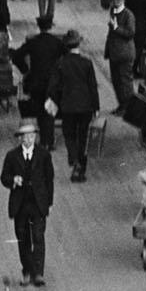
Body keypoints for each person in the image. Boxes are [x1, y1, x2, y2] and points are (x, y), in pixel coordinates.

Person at [1, 118, 55, 286]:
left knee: (38, 237)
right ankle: (26, 271)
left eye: (31, 136)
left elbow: (49, 180)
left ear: (35, 137)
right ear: (20, 138)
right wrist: (13, 180)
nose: (28, 140)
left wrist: (49, 203)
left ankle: (38, 273)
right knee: (23, 238)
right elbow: (4, 177)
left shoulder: (44, 155)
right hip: (21, 204)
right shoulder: (11, 156)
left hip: (38, 203)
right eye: (24, 137)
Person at [47, 29, 101, 182]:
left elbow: (53, 86)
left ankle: (74, 159)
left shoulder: (61, 63)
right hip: (86, 106)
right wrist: (96, 107)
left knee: (69, 134)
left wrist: (53, 100)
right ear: (79, 44)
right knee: (83, 136)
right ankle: (81, 170)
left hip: (68, 106)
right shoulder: (87, 63)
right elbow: (92, 86)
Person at [13, 19, 66, 149]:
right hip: (52, 82)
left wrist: (26, 71)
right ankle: (48, 141)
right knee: (50, 110)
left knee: (40, 110)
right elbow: (67, 58)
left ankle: (44, 140)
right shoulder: (57, 43)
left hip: (35, 82)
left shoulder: (33, 42)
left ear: (39, 27)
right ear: (50, 27)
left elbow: (16, 56)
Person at [104, 0, 137, 114]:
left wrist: (117, 28)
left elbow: (130, 33)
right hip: (114, 53)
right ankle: (121, 104)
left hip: (124, 54)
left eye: (113, 2)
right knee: (116, 80)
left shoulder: (128, 15)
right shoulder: (113, 12)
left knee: (125, 81)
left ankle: (128, 106)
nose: (111, 5)